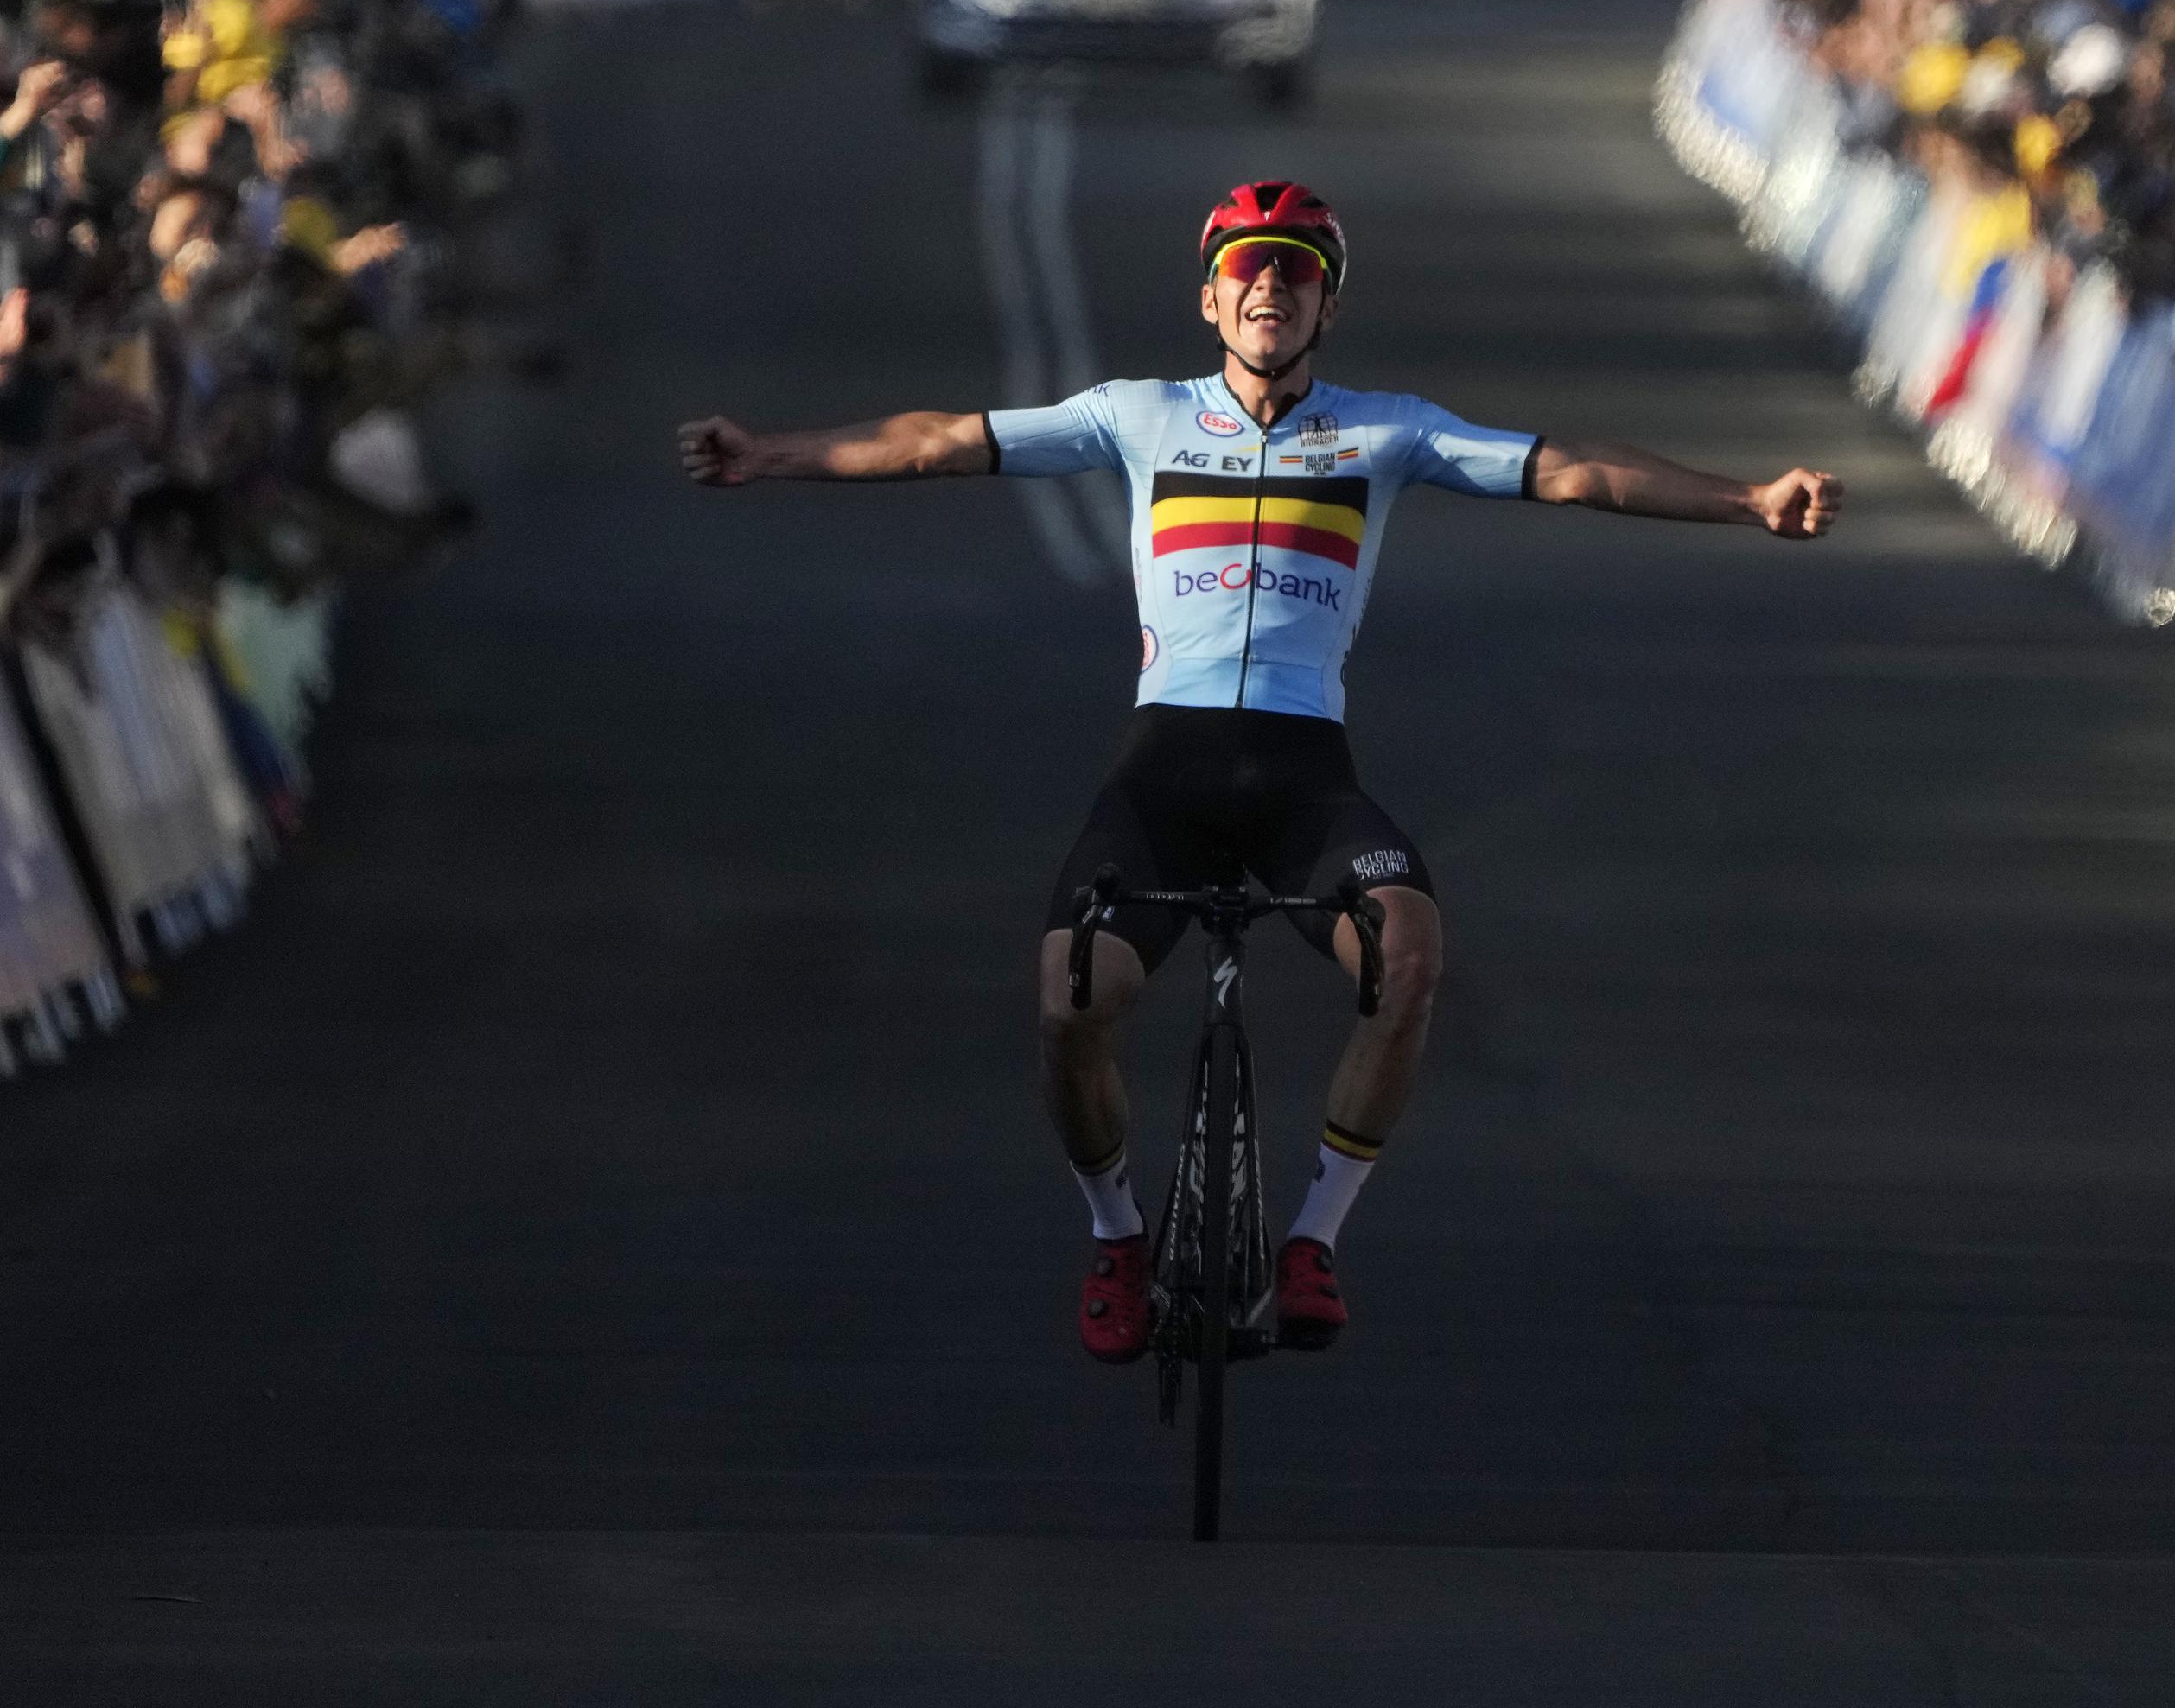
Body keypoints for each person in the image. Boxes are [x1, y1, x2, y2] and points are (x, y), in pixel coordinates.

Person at [678, 180, 1843, 1364]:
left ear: (1326, 308)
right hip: (1164, 774)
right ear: (1209, 299)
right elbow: (934, 442)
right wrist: (771, 453)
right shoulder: (1139, 417)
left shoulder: (1385, 430)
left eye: (1296, 271)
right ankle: (1117, 1235)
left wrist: (1750, 499)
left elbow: (1573, 469)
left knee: (1411, 956)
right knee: (1068, 1001)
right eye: (1248, 268)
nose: (1270, 286)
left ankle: (1312, 1242)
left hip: (1304, 780)